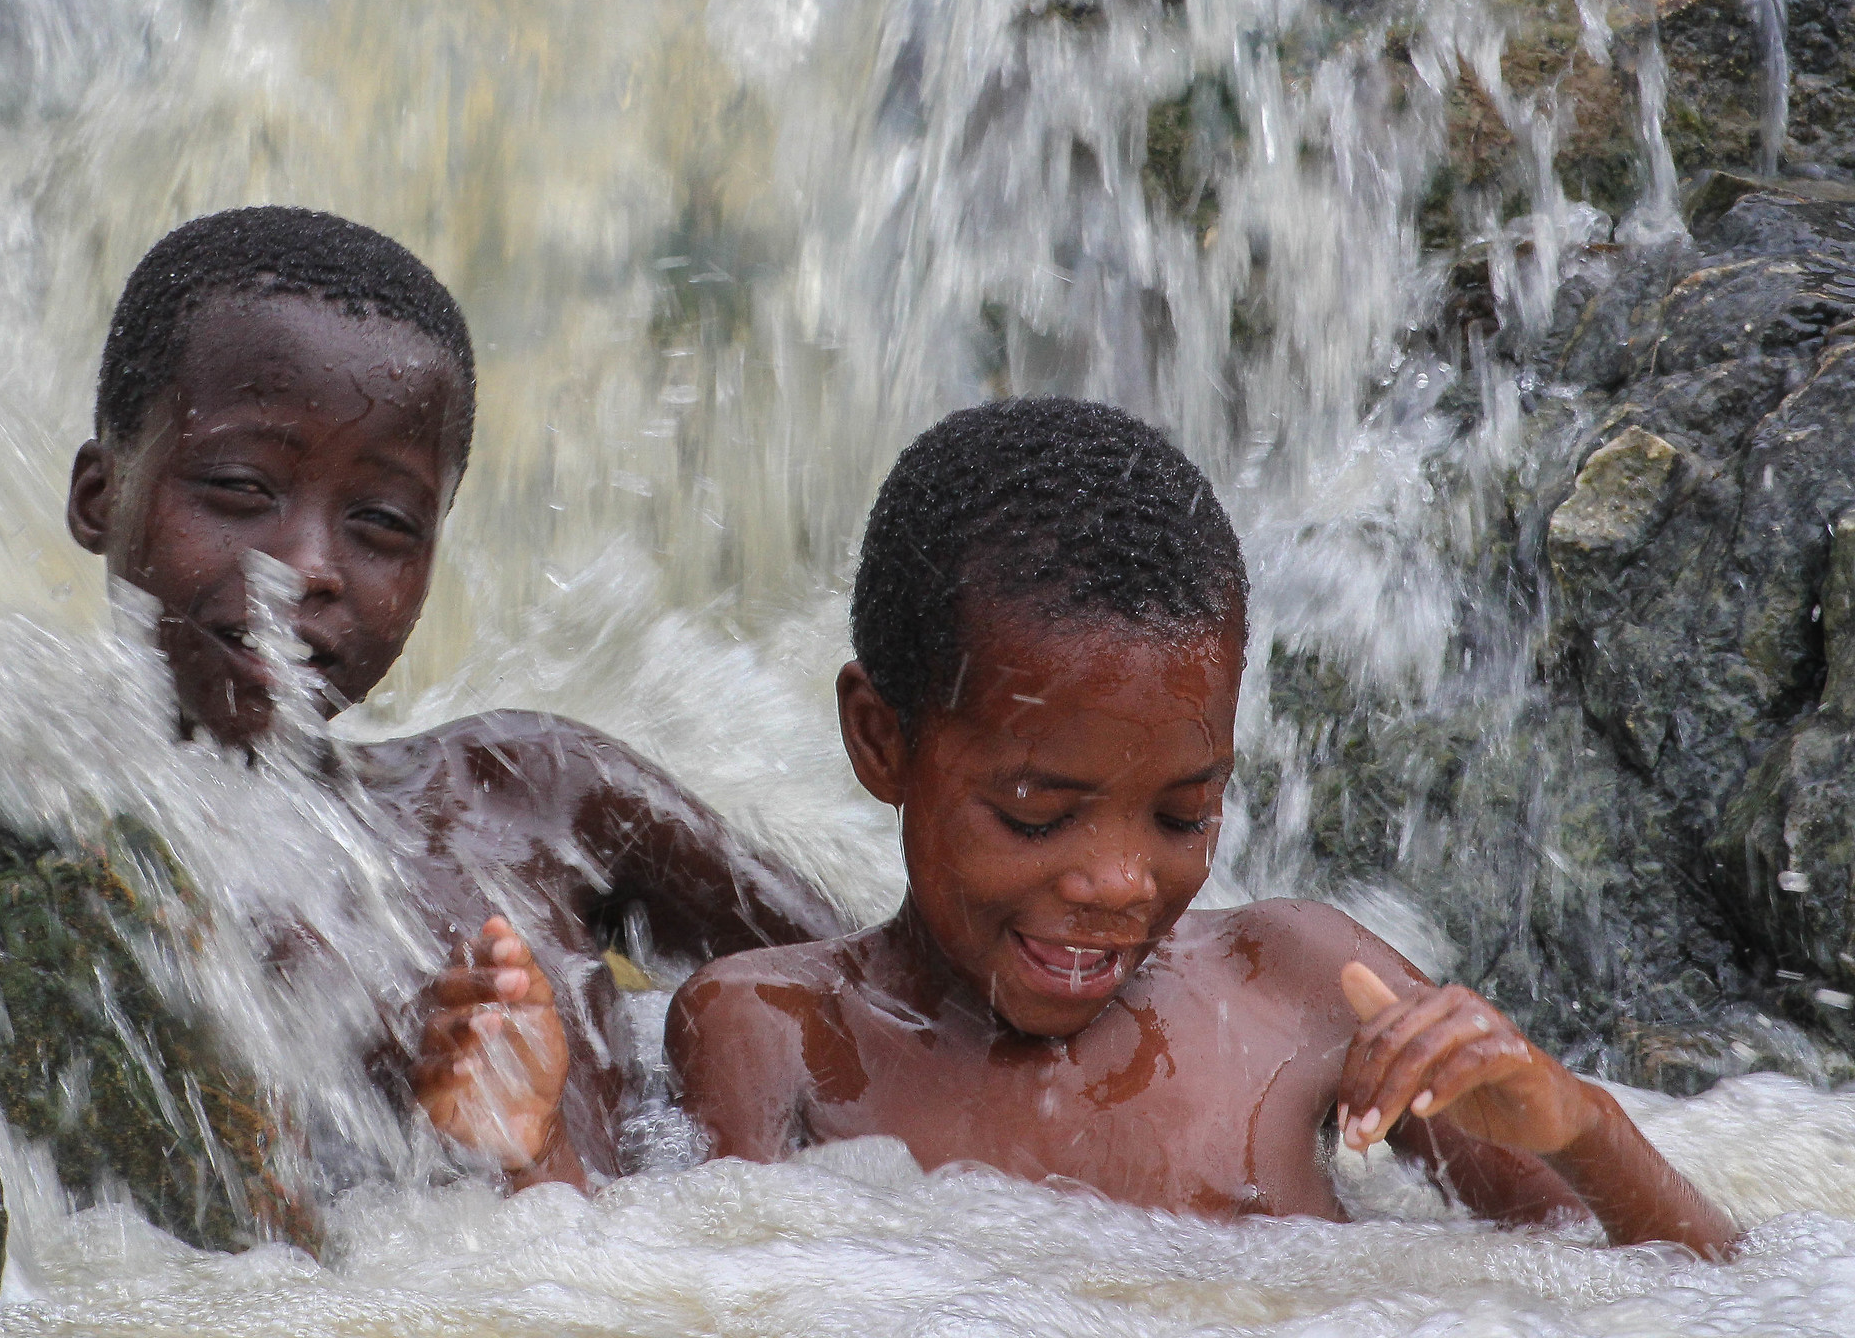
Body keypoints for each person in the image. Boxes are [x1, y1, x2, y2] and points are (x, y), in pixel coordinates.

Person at [429, 395, 1737, 1254]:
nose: (1117, 881)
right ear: (881, 741)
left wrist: (1577, 1127)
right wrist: (529, 1152)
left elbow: (1699, 1288)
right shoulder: (777, 1031)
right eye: (1035, 813)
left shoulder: (1299, 981)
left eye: (1184, 812)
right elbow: (677, 1300)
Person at [65, 206, 839, 1183]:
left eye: (382, 522)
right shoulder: (51, 859)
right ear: (99, 496)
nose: (308, 565)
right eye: (240, 486)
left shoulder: (531, 795)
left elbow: (898, 1008)